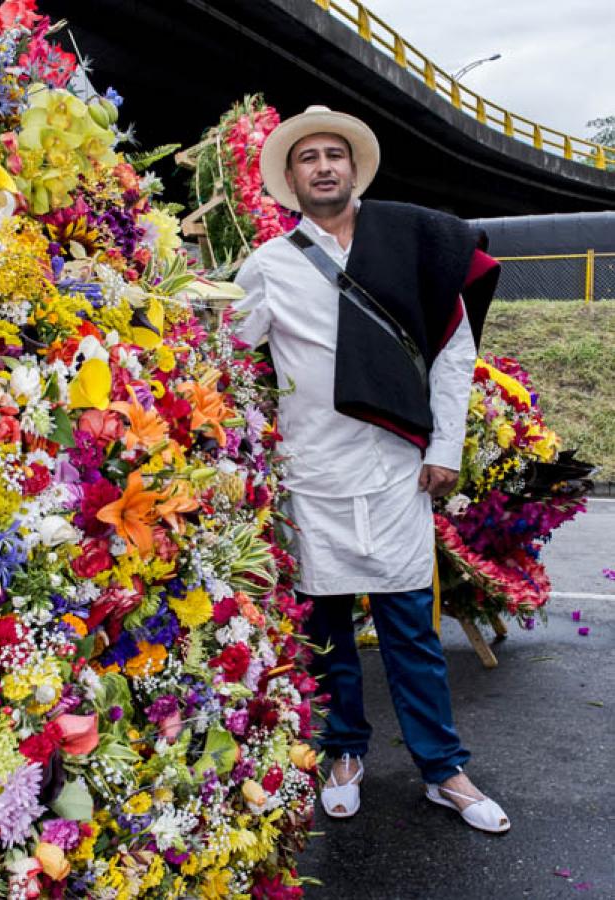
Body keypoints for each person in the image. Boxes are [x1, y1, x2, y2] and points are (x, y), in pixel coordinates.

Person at [233, 105, 509, 833]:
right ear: (290, 179)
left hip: (396, 467)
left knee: (410, 630)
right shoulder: (266, 266)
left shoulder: (410, 243)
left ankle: (443, 769)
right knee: (327, 629)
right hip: (311, 472)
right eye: (307, 158)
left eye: (334, 155)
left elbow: (453, 348)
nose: (323, 165)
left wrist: (445, 446)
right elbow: (230, 356)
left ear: (352, 168)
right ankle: (343, 752)